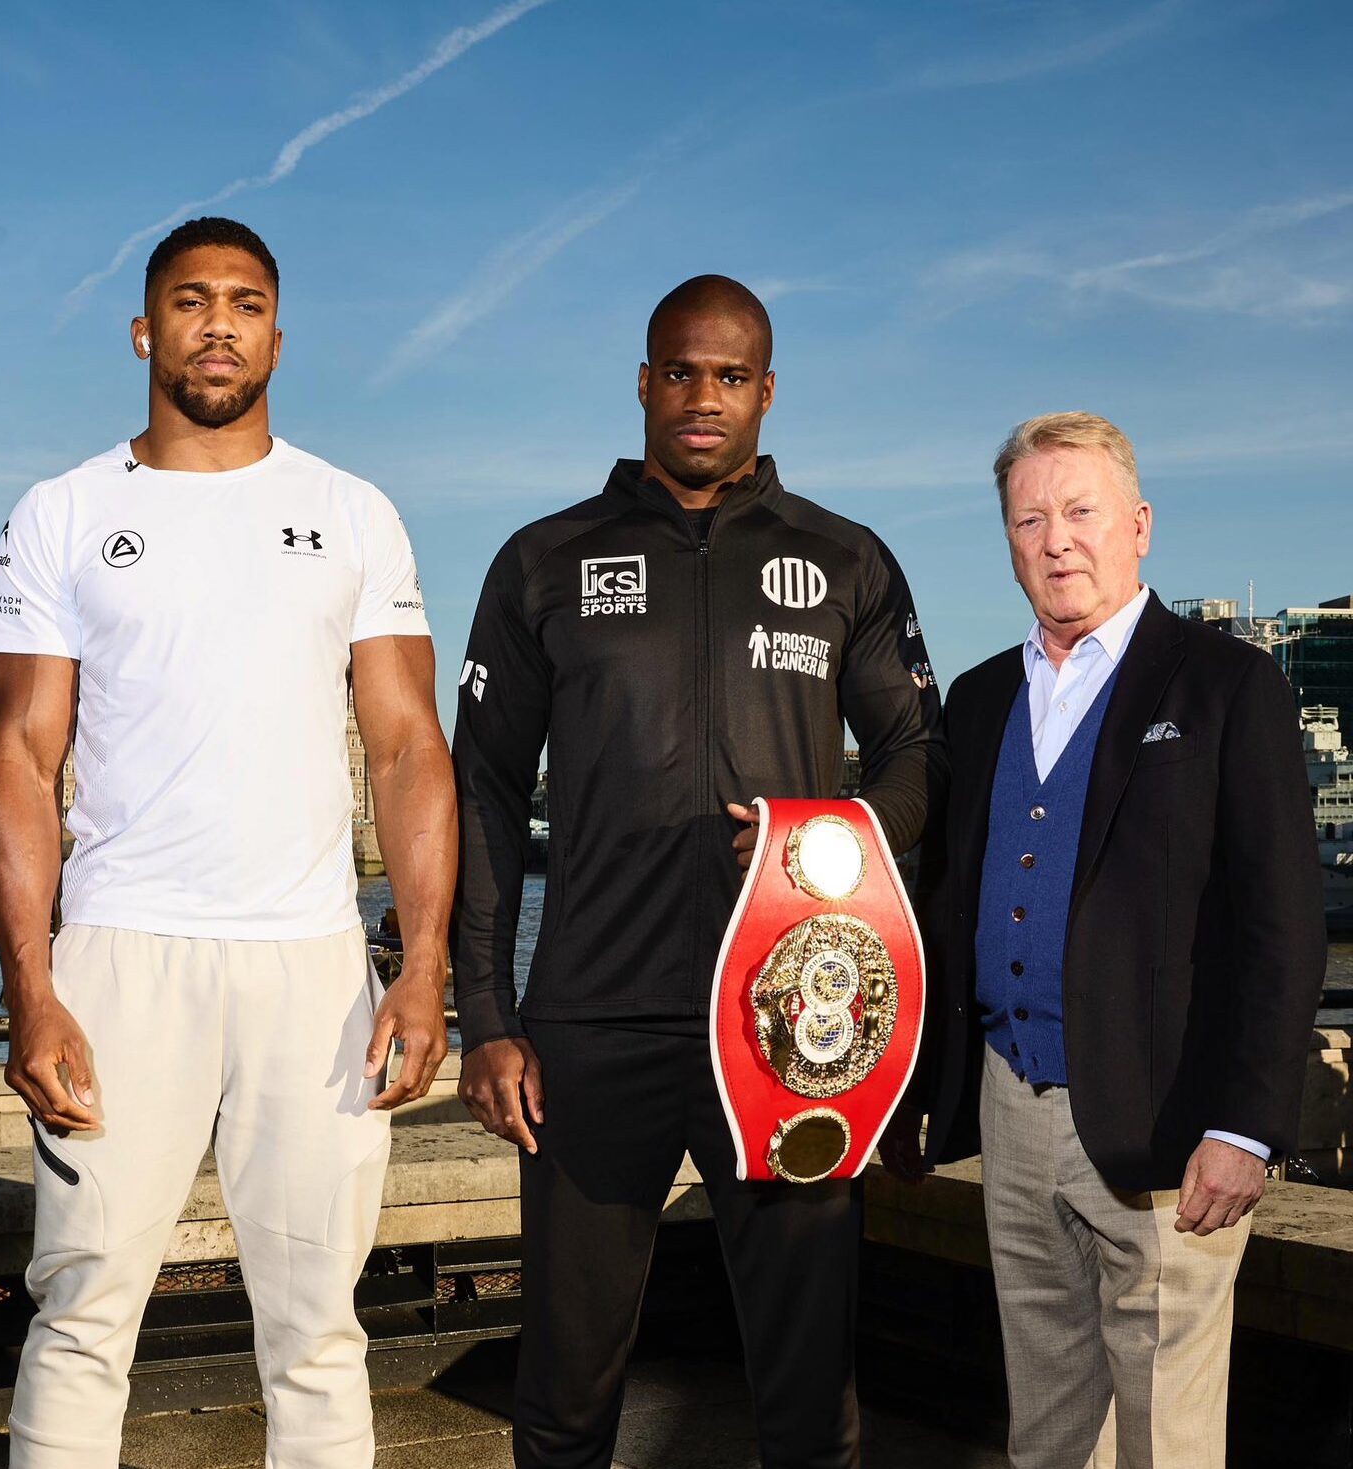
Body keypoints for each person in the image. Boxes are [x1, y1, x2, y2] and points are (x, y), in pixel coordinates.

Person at [0, 216, 455, 1469]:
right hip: (122, 955)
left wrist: (422, 963)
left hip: (309, 963)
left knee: (316, 1330)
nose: (217, 325)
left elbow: (408, 748)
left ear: (277, 340)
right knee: (83, 1317)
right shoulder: (63, 510)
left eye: (244, 303)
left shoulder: (351, 511)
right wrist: (29, 988)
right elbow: (22, 757)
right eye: (190, 301)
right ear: (146, 330)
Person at [451, 275, 945, 1469]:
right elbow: (478, 790)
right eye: (678, 371)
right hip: (589, 1029)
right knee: (564, 1397)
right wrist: (488, 1017)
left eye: (728, 376)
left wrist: (820, 841)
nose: (701, 398)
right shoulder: (544, 559)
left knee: (806, 1399)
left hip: (792, 1031)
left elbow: (916, 751)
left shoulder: (844, 560)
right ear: (640, 381)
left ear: (766, 391)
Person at [913, 413, 1323, 1468]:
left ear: (1136, 525)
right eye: (1028, 517)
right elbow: (935, 894)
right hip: (1009, 1107)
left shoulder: (1229, 685)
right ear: (1006, 541)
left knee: (1163, 1435)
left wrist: (1245, 1125)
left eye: (1080, 511)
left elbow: (1279, 923)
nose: (1055, 539)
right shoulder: (978, 697)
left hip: (1168, 1112)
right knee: (1044, 1422)